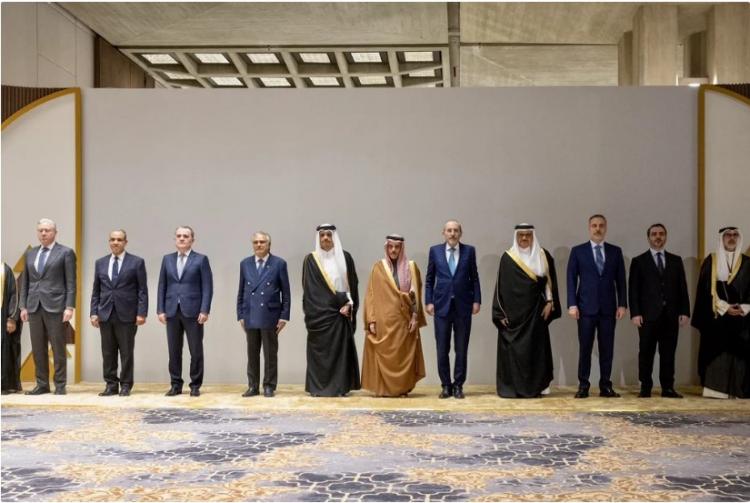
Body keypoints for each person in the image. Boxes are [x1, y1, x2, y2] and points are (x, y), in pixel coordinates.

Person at [492, 224, 561, 398]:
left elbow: (549, 283)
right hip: (513, 317)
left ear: (533, 236)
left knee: (535, 351)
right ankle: (512, 388)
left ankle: (538, 386)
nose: (524, 238)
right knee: (514, 352)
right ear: (516, 236)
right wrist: (500, 313)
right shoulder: (508, 258)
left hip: (536, 313)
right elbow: (500, 288)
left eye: (528, 235)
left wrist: (550, 302)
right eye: (521, 235)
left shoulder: (543, 255)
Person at [567, 214, 627, 398]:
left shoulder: (615, 251)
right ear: (589, 228)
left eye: (601, 225)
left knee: (607, 349)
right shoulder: (578, 251)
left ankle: (606, 386)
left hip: (608, 309)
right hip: (585, 308)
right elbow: (571, 279)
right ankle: (583, 386)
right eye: (594, 225)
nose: (598, 229)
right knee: (585, 348)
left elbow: (621, 280)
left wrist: (622, 304)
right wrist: (572, 304)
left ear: (605, 228)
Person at [628, 223, 690, 398]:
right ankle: (645, 387)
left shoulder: (675, 260)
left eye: (661, 234)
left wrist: (685, 311)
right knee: (646, 352)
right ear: (648, 237)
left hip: (671, 315)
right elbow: (633, 290)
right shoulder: (639, 261)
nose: (658, 237)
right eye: (654, 234)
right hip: (647, 316)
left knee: (668, 353)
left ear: (666, 237)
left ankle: (667, 388)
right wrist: (635, 313)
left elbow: (682, 288)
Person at [362, 235, 427, 397]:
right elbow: (370, 295)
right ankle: (384, 389)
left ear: (401, 248)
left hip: (404, 321)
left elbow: (416, 295)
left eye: (397, 247)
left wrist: (415, 317)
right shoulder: (378, 267)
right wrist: (371, 320)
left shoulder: (411, 267)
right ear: (386, 248)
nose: (393, 250)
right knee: (385, 355)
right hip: (383, 322)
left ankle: (401, 388)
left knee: (402, 356)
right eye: (390, 247)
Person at [19, 218, 77, 395]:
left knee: (58, 348)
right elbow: (25, 282)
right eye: (40, 230)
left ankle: (60, 385)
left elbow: (71, 283)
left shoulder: (66, 252)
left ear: (55, 233)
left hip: (56, 306)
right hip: (34, 306)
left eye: (47, 230)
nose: (43, 233)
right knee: (38, 348)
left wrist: (69, 307)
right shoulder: (31, 254)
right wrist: (23, 306)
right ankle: (42, 384)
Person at [425, 220, 481, 399]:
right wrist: (429, 301)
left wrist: (477, 300)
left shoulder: (469, 251)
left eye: (456, 230)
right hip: (441, 307)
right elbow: (429, 279)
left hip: (463, 306)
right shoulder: (435, 251)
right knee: (442, 349)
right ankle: (446, 386)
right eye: (449, 230)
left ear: (460, 233)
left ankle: (458, 385)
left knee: (461, 349)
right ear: (443, 233)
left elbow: (474, 278)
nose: (452, 233)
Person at [302, 224, 360, 397]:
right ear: (318, 238)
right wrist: (316, 310)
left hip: (340, 314)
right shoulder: (310, 260)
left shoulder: (345, 257)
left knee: (339, 353)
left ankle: (340, 387)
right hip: (318, 316)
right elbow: (309, 291)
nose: (325, 238)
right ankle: (317, 388)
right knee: (319, 354)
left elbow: (352, 286)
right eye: (322, 235)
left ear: (334, 237)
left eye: (329, 234)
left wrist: (349, 304)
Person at [692, 226, 750, 399]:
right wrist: (724, 307)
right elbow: (705, 291)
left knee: (740, 357)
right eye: (728, 235)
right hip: (717, 319)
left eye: (735, 235)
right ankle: (716, 391)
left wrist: (744, 308)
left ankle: (738, 390)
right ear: (722, 238)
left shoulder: (748, 263)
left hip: (742, 319)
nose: (731, 238)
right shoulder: (712, 261)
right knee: (718, 355)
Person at [90, 230, 148, 397]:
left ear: (125, 242)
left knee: (126, 352)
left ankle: (126, 385)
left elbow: (142, 290)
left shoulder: (136, 262)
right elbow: (96, 290)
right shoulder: (100, 263)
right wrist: (93, 312)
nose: (115, 242)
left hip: (127, 314)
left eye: (119, 240)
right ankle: (111, 385)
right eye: (113, 239)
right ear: (109, 242)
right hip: (105, 313)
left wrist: (142, 313)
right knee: (108, 352)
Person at [157, 226, 213, 397]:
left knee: (195, 350)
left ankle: (195, 385)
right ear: (175, 239)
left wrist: (204, 309)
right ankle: (175, 384)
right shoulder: (167, 259)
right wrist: (160, 309)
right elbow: (162, 285)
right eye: (179, 236)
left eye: (186, 236)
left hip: (194, 311)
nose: (182, 238)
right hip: (171, 310)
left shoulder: (201, 259)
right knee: (174, 350)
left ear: (192, 240)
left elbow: (207, 287)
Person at [237, 231, 290, 398]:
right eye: (255, 242)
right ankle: (253, 386)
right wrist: (240, 314)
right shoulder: (245, 263)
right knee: (252, 353)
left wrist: (284, 316)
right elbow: (241, 291)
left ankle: (269, 385)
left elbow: (286, 293)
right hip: (250, 314)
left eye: (262, 242)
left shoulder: (279, 263)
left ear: (269, 245)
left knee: (270, 353)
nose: (258, 245)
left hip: (270, 314)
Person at [2, 262, 21, 394]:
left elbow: (14, 294)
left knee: (4, 350)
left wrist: (12, 318)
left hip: (2, 318)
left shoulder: (4, 270)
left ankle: (3, 384)